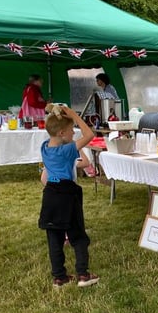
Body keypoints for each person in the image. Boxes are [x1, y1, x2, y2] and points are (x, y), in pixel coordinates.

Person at [38, 104, 99, 288]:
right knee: (78, 235)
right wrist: (74, 115)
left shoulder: (44, 147)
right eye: (72, 130)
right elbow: (89, 135)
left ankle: (60, 277)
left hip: (50, 194)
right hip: (67, 194)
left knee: (54, 237)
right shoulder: (66, 150)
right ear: (63, 133)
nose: (74, 133)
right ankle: (83, 274)